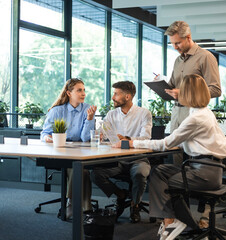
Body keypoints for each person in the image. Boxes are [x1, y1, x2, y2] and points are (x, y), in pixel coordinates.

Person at [113, 74, 226, 240]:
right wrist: (180, 143)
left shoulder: (195, 119)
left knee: (163, 180)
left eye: (181, 90)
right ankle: (183, 224)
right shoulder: (205, 113)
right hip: (211, 168)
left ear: (188, 93)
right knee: (161, 171)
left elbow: (163, 145)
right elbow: (195, 142)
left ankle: (170, 222)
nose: (177, 93)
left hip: (204, 173)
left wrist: (130, 143)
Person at [91, 81, 153, 223]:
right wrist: (100, 134)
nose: (113, 97)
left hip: (138, 158)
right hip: (117, 159)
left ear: (127, 97)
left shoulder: (144, 114)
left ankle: (135, 205)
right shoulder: (111, 114)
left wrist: (126, 139)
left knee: (140, 173)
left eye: (116, 94)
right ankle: (120, 194)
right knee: (95, 174)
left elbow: (146, 138)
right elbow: (103, 134)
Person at [41, 78, 97, 219]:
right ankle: (84, 207)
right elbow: (44, 133)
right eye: (79, 90)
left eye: (84, 90)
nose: (83, 93)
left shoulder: (87, 109)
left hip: (79, 151)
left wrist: (90, 118)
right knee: (79, 169)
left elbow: (85, 138)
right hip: (59, 151)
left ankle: (72, 203)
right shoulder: (57, 111)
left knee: (81, 169)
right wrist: (48, 138)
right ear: (69, 93)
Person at [162, 21, 221, 134]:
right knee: (174, 149)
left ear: (188, 37)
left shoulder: (205, 57)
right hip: (176, 112)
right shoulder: (178, 60)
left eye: (178, 43)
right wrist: (160, 85)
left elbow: (216, 90)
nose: (175, 47)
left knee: (191, 150)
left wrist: (184, 93)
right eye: (172, 44)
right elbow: (173, 86)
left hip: (193, 112)